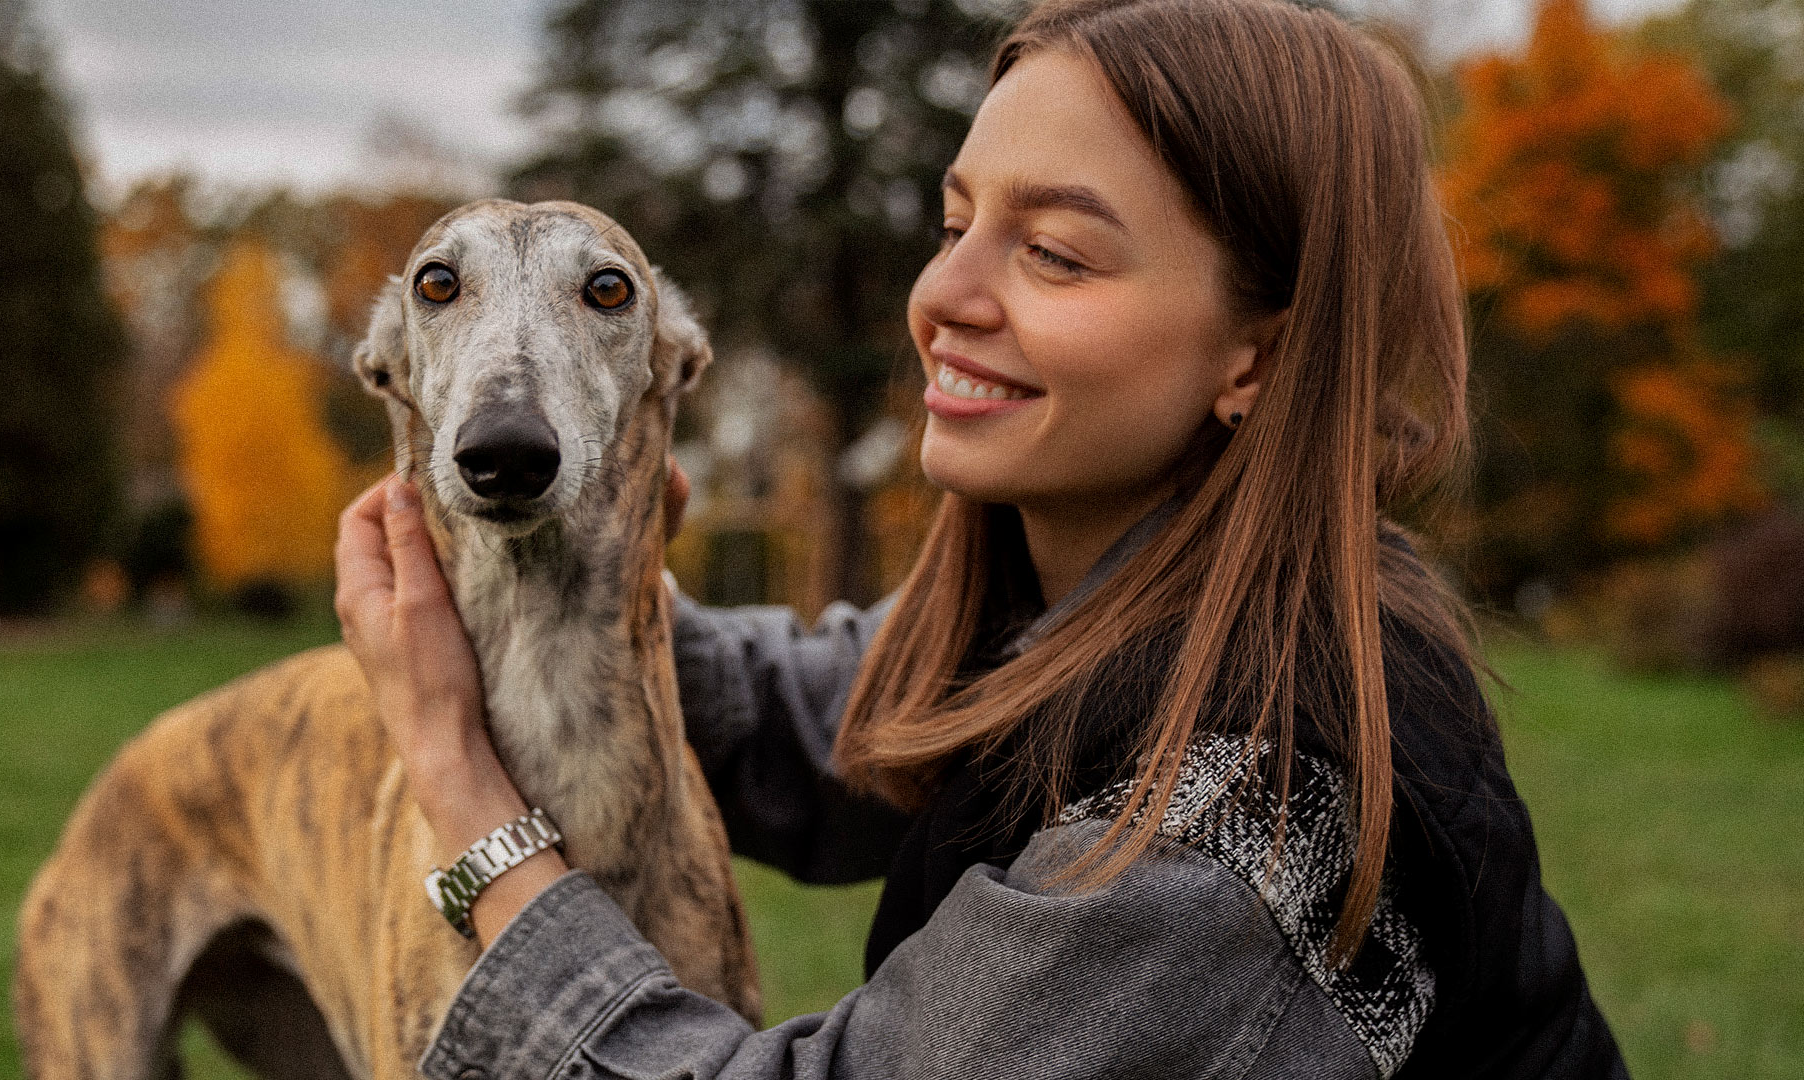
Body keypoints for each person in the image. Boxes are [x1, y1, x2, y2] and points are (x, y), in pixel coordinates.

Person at [334, 0, 1629, 1076]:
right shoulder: (1119, 592)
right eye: (957, 225)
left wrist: (462, 786)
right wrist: (594, 598)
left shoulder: (1235, 821)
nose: (942, 298)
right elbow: (843, 718)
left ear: (1259, 352)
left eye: (1054, 253)